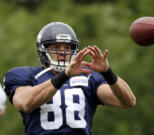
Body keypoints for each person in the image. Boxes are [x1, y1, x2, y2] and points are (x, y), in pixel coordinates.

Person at [4, 22, 136, 135]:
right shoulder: (26, 75)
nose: (63, 52)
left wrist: (108, 72)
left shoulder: (88, 76)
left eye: (67, 48)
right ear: (43, 50)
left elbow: (127, 101)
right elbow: (25, 103)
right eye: (56, 47)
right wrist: (64, 76)